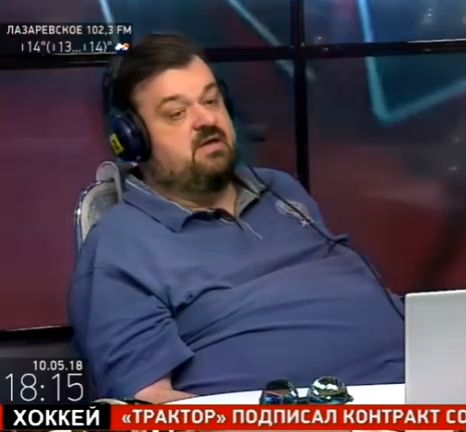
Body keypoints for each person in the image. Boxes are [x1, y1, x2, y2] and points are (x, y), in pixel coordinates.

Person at [69, 34, 405, 403]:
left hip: (423, 394)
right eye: (177, 113)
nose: (206, 119)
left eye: (211, 100)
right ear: (132, 140)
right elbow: (148, 401)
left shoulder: (282, 190)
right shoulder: (120, 245)